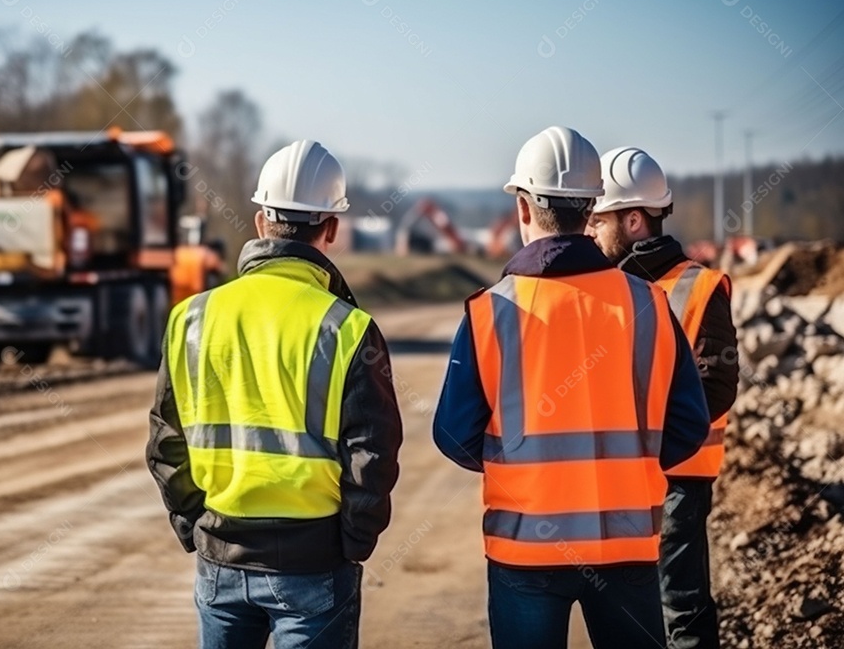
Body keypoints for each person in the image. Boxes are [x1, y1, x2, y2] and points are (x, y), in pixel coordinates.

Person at [432, 125, 711, 649]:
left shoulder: (491, 310)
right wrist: (631, 472)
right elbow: (689, 426)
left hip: (526, 549)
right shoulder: (648, 303)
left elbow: (453, 434)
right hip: (627, 545)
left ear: (522, 208)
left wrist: (517, 468)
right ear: (591, 209)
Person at [147, 139, 403, 649]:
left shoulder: (190, 317)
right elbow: (372, 454)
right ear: (332, 227)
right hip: (313, 564)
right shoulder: (348, 327)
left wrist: (197, 526)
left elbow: (165, 443)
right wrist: (351, 542)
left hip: (219, 559)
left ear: (261, 221)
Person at [587, 147, 739, 649]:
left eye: (598, 220)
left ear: (634, 220)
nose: (589, 230)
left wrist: (648, 444)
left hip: (677, 480)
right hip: (621, 478)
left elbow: (716, 386)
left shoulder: (698, 286)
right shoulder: (607, 286)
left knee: (680, 612)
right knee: (632, 617)